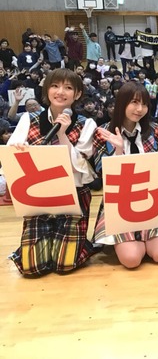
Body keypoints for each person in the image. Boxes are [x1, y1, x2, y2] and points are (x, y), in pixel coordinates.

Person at [7, 69, 97, 276]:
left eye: (68, 87)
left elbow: (77, 166)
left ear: (77, 94)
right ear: (47, 89)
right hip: (39, 195)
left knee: (64, 264)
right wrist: (20, 149)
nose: (60, 92)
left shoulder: (86, 123)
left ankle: (83, 245)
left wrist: (63, 134)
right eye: (55, 86)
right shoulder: (29, 118)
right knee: (32, 268)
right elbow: (11, 155)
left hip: (73, 195)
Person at [92, 82, 158, 268]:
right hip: (121, 203)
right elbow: (103, 175)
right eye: (134, 102)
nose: (139, 109)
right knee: (132, 259)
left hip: (152, 200)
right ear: (122, 102)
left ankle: (146, 238)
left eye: (144, 104)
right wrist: (118, 151)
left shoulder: (154, 131)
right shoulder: (103, 132)